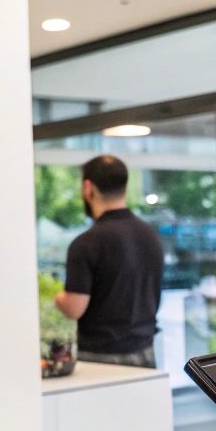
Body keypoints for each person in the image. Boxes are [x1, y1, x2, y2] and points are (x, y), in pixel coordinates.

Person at [54, 155, 165, 368]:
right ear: (124, 186)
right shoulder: (150, 235)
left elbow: (74, 308)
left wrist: (58, 298)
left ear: (88, 188)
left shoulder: (86, 243)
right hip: (145, 352)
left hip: (100, 357)